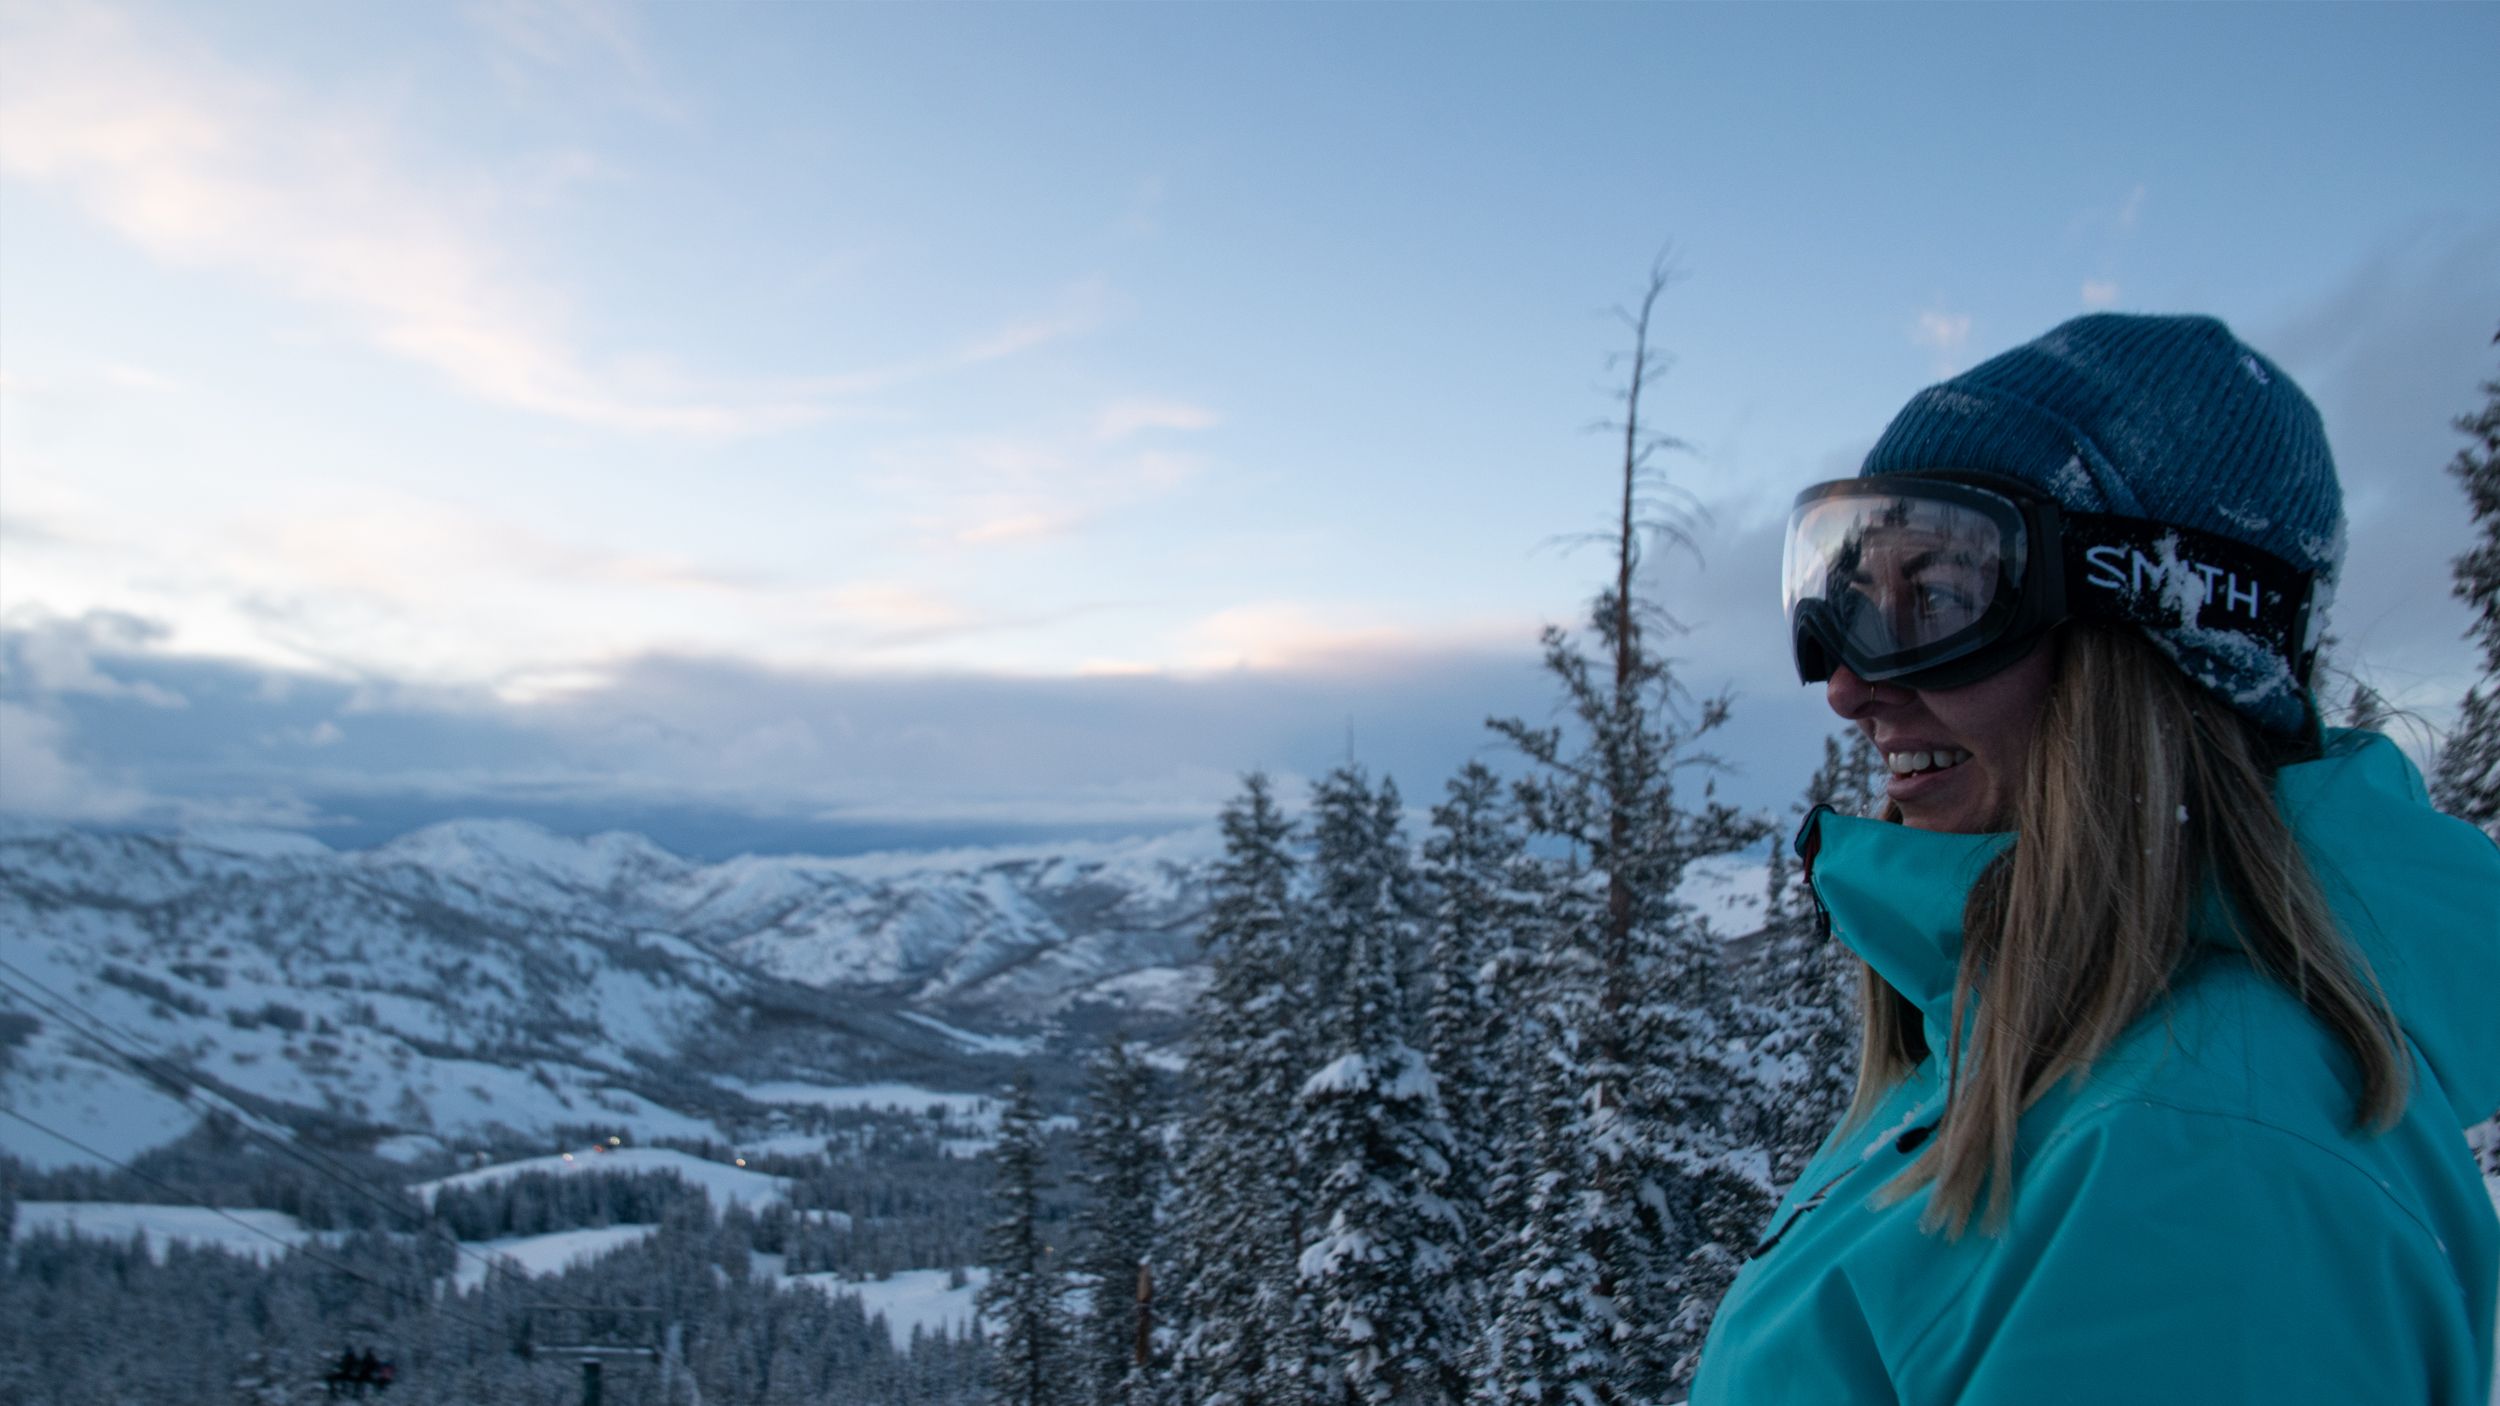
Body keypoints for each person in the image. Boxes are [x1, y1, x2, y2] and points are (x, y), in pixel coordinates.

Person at [1692, 314, 2500, 1403]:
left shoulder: (2206, 1157)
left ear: (2155, 621)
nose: (1847, 684)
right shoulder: (2039, 1041)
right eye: (1845, 596)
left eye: (1932, 595)